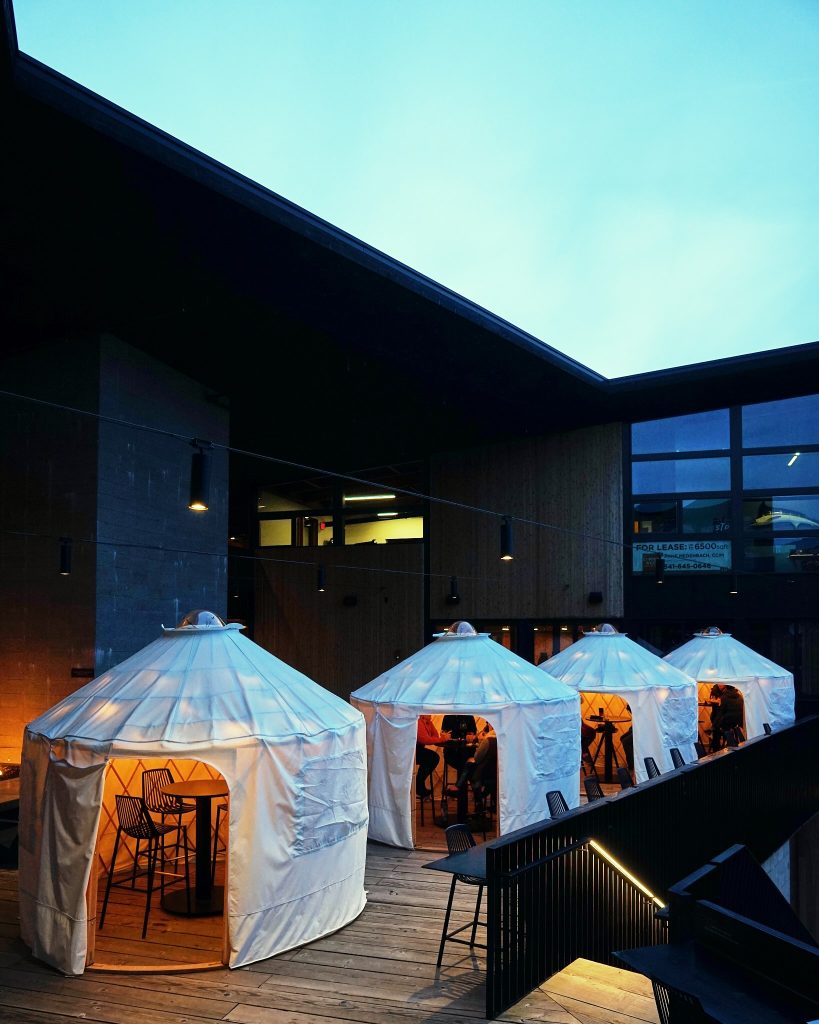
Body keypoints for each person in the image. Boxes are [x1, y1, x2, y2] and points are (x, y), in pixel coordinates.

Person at [415, 715, 449, 797]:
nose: (430, 714)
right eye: (428, 712)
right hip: (410, 751)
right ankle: (418, 783)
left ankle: (419, 783)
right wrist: (443, 739)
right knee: (432, 758)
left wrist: (429, 722)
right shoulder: (418, 721)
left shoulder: (428, 722)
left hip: (418, 749)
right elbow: (424, 739)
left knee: (433, 757)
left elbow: (435, 736)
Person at [441, 714, 477, 778]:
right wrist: (444, 735)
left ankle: (459, 785)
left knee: (465, 761)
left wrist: (472, 737)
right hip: (451, 752)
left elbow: (474, 734)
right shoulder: (447, 716)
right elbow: (443, 733)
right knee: (465, 764)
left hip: (468, 752)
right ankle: (464, 785)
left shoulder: (469, 716)